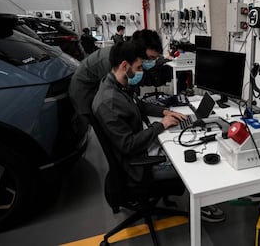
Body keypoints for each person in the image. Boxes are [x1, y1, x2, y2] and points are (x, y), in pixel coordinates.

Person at [92, 41, 226, 223]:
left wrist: (165, 112)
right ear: (125, 65)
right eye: (139, 67)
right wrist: (161, 126)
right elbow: (128, 145)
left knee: (190, 137)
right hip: (139, 166)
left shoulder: (116, 85)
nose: (141, 71)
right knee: (199, 156)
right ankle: (201, 207)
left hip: (141, 149)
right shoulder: (110, 102)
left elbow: (140, 106)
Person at [69, 29, 163, 124]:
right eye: (151, 58)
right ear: (140, 51)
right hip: (84, 91)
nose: (152, 62)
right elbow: (115, 95)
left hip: (96, 86)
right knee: (98, 123)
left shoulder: (130, 57)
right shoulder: (112, 61)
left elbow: (128, 93)